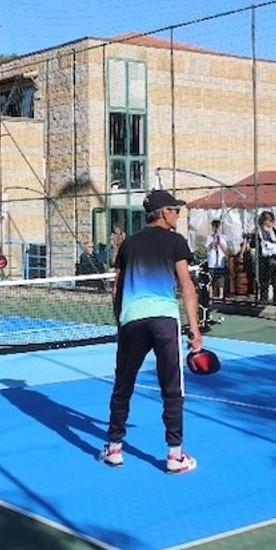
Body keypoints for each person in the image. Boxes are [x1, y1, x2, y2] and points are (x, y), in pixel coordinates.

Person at [99, 189, 202, 475]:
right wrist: (194, 328)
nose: (178, 215)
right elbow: (186, 285)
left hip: (132, 319)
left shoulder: (128, 244)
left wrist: (121, 321)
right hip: (165, 321)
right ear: (164, 213)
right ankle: (174, 455)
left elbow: (116, 287)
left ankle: (115, 448)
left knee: (123, 385)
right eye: (176, 210)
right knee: (172, 388)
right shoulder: (175, 242)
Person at [254, 210, 276, 305]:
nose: (272, 222)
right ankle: (264, 299)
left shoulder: (273, 230)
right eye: (270, 220)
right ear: (265, 221)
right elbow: (260, 244)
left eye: (272, 220)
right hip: (265, 259)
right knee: (265, 280)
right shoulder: (259, 231)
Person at [204, 219, 229, 301]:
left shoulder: (223, 237)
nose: (215, 229)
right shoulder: (209, 237)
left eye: (217, 227)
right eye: (214, 227)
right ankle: (210, 295)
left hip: (220, 263)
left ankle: (221, 295)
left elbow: (225, 250)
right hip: (212, 261)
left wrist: (219, 242)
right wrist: (212, 244)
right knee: (211, 279)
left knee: (220, 279)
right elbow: (206, 249)